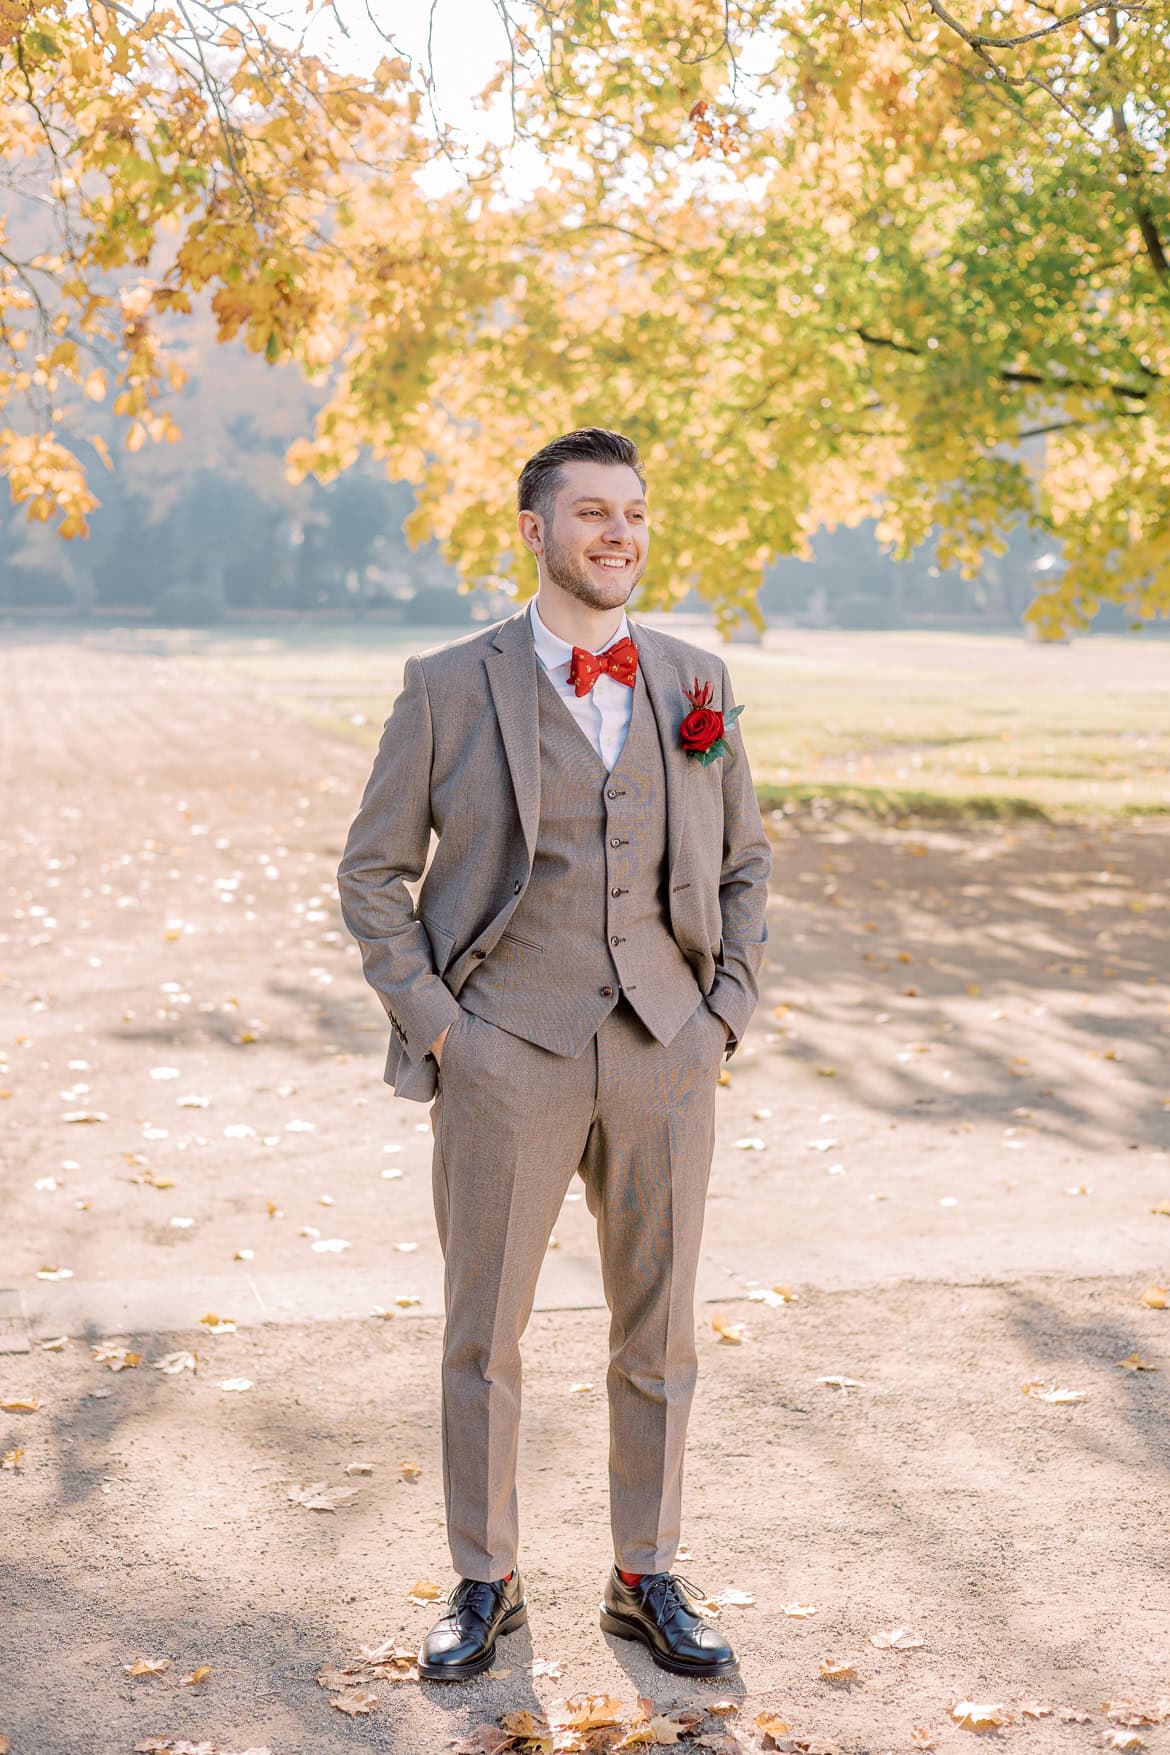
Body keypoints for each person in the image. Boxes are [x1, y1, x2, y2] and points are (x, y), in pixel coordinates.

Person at [337, 427, 771, 1682]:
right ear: (533, 531)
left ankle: (646, 1577)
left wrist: (724, 1013)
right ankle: (486, 1581)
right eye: (591, 515)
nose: (619, 535)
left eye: (633, 513)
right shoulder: (444, 684)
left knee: (662, 1334)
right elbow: (373, 876)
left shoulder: (695, 678)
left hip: (664, 1048)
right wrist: (440, 1032)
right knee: (485, 1337)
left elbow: (744, 863)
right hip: (502, 1052)